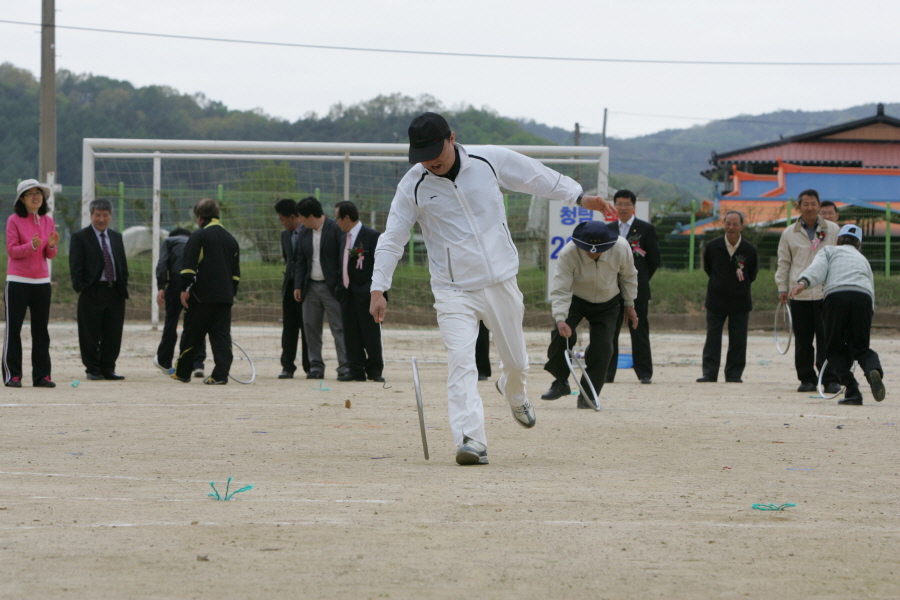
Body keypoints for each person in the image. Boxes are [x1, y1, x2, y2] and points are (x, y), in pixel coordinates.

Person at [369, 112, 613, 465]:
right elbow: (393, 237)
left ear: (452, 138)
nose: (431, 161)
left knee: (517, 363)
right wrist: (379, 286)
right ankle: (470, 439)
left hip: (500, 281)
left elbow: (534, 176)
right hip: (452, 289)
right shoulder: (413, 185)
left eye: (436, 151)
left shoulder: (488, 160)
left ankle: (514, 393)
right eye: (422, 156)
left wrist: (577, 196)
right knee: (461, 361)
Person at [541, 221, 638, 408]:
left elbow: (628, 276)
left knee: (603, 347)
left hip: (608, 301)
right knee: (560, 334)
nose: (592, 253)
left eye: (597, 250)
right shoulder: (568, 253)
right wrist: (561, 319)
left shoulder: (621, 248)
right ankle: (561, 381)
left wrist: (629, 304)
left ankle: (588, 394)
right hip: (575, 299)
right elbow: (561, 289)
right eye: (588, 249)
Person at [789, 223, 885, 405]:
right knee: (861, 347)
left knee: (833, 349)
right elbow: (870, 288)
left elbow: (817, 268)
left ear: (838, 240)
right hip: (863, 298)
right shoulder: (862, 259)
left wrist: (803, 283)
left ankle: (852, 390)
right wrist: (868, 313)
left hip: (836, 297)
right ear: (859, 245)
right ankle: (873, 369)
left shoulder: (830, 251)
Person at [775, 189, 841, 393]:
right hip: (800, 295)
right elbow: (784, 263)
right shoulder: (789, 233)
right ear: (799, 206)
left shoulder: (833, 229)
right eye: (806, 204)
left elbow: (840, 259)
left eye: (814, 203)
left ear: (819, 205)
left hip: (826, 293)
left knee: (827, 339)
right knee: (803, 340)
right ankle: (807, 379)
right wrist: (782, 288)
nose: (810, 207)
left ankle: (829, 379)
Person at [171, 199, 240, 385]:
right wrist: (230, 293)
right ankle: (220, 375)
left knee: (192, 335)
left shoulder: (199, 236)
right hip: (224, 297)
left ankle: (183, 372)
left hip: (201, 297)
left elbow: (188, 267)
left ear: (200, 217)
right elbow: (236, 274)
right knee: (221, 337)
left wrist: (185, 289)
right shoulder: (231, 239)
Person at [3, 179, 59, 388]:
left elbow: (49, 254)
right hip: (17, 281)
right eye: (30, 194)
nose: (36, 197)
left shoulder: (48, 221)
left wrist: (51, 246)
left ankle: (42, 376)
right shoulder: (13, 220)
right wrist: (31, 246)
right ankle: (13, 375)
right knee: (13, 329)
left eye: (39, 193)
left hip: (42, 282)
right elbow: (12, 250)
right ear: (22, 199)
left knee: (41, 330)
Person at [69, 199, 129, 380]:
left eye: (105, 215)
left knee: (113, 333)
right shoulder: (80, 237)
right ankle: (92, 369)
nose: (101, 219)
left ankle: (108, 368)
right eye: (97, 215)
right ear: (91, 215)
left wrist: (122, 285)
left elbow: (122, 265)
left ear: (110, 216)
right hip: (92, 291)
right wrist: (81, 288)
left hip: (114, 292)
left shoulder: (116, 237)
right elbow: (75, 266)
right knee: (90, 333)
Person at [696, 211, 759, 383]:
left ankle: (733, 374)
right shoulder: (712, 246)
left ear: (742, 226)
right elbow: (708, 268)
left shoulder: (750, 250)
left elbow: (752, 274)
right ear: (724, 224)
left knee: (738, 339)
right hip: (716, 300)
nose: (731, 227)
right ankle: (709, 373)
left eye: (735, 224)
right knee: (712, 338)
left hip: (740, 301)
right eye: (728, 223)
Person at [606, 189, 660, 384]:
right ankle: (607, 373)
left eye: (627, 204)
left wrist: (640, 278)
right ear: (614, 206)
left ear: (634, 207)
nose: (623, 208)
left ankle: (644, 374)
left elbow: (654, 260)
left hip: (638, 290)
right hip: (612, 290)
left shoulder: (645, 229)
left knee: (639, 330)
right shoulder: (608, 229)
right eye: (619, 204)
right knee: (610, 332)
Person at [293, 196, 349, 380]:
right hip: (310, 288)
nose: (300, 220)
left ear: (310, 216)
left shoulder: (335, 229)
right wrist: (298, 285)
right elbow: (300, 260)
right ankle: (315, 366)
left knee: (339, 327)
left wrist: (341, 286)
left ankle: (345, 366)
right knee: (311, 328)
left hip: (332, 288)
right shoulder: (304, 233)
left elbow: (343, 259)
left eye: (301, 216)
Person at [334, 200, 384, 382]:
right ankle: (355, 369)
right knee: (350, 334)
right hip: (347, 294)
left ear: (347, 217)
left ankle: (375, 370)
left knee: (370, 333)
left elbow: (379, 266)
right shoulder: (342, 238)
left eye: (338, 217)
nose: (336, 221)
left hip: (366, 294)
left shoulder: (371, 236)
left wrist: (373, 290)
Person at [153, 228, 207, 377]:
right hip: (197, 282)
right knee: (197, 323)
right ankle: (198, 364)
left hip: (177, 279)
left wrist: (161, 287)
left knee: (171, 321)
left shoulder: (169, 241)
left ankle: (165, 360)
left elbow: (162, 264)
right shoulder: (196, 241)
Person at [275, 199, 310, 379]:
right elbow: (288, 261)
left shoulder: (309, 232)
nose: (282, 223)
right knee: (289, 328)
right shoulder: (284, 236)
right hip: (289, 287)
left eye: (283, 219)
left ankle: (309, 365)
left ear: (293, 216)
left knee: (307, 328)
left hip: (306, 288)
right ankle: (287, 366)